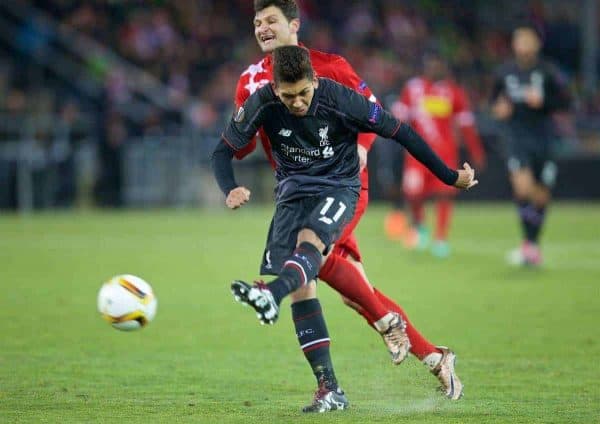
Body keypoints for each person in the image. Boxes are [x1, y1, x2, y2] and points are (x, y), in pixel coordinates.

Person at [229, 0, 468, 408]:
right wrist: (241, 128)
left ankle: (367, 349)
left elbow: (375, 117)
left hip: (344, 184)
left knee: (311, 259)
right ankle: (426, 355)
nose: (263, 28)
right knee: (329, 279)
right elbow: (241, 145)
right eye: (257, 22)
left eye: (271, 20)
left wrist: (360, 146)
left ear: (294, 25)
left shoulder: (332, 67)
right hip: (298, 191)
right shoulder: (251, 82)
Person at [386, 48, 486, 258]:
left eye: (438, 63)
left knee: (444, 194)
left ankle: (441, 238)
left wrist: (476, 151)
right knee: (413, 193)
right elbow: (399, 117)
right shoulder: (412, 89)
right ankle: (420, 226)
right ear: (425, 65)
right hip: (416, 153)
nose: (434, 67)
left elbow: (466, 124)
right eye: (431, 63)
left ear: (444, 66)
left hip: (445, 153)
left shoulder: (454, 92)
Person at [491, 25, 570, 266]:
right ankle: (529, 245)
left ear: (537, 43)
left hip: (545, 138)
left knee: (541, 197)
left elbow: (566, 101)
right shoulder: (504, 73)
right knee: (523, 188)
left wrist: (544, 101)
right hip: (517, 138)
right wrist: (499, 109)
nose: (523, 44)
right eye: (519, 39)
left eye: (528, 39)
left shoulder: (549, 71)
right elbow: (494, 102)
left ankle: (532, 244)